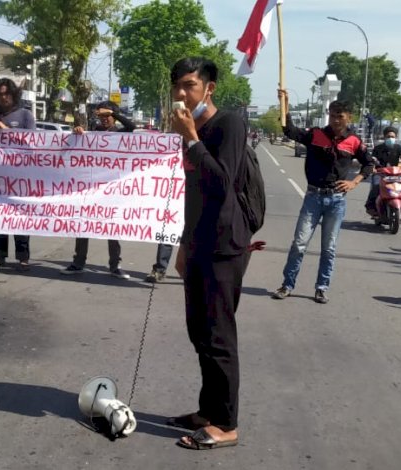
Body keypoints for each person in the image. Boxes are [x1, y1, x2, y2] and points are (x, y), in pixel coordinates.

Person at [166, 57, 252, 451]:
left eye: (189, 85)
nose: (181, 94)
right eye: (177, 87)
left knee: (219, 336)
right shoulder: (191, 129)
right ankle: (208, 411)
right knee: (199, 333)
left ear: (209, 88)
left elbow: (221, 183)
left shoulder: (228, 124)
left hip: (224, 245)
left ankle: (227, 424)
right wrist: (183, 245)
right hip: (198, 244)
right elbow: (193, 198)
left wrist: (192, 140)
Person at [271, 92, 373, 304]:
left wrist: (354, 182)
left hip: (336, 201)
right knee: (299, 244)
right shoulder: (316, 134)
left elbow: (369, 164)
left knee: (329, 248)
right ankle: (287, 284)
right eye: (333, 115)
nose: (336, 120)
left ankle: (321, 287)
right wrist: (285, 105)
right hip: (313, 198)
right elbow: (290, 131)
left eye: (341, 116)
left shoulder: (354, 141)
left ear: (349, 118)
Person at [63, 101, 134, 279]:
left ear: (114, 116)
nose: (104, 120)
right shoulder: (92, 133)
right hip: (91, 187)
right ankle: (78, 262)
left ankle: (115, 265)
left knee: (112, 228)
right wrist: (78, 131)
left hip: (112, 189)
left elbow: (131, 126)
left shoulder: (121, 133)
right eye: (101, 116)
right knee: (83, 224)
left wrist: (114, 112)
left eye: (107, 116)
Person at [0, 78, 36, 270]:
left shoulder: (25, 115)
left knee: (20, 218)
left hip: (21, 178)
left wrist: (8, 131)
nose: (3, 97)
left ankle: (23, 257)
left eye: (7, 93)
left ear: (13, 94)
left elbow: (32, 143)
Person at [364, 126, 401, 216]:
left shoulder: (398, 148)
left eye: (392, 137)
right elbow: (373, 160)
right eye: (388, 136)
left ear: (395, 137)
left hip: (395, 174)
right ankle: (370, 206)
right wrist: (373, 168)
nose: (390, 138)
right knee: (376, 185)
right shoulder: (378, 148)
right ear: (384, 137)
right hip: (380, 173)